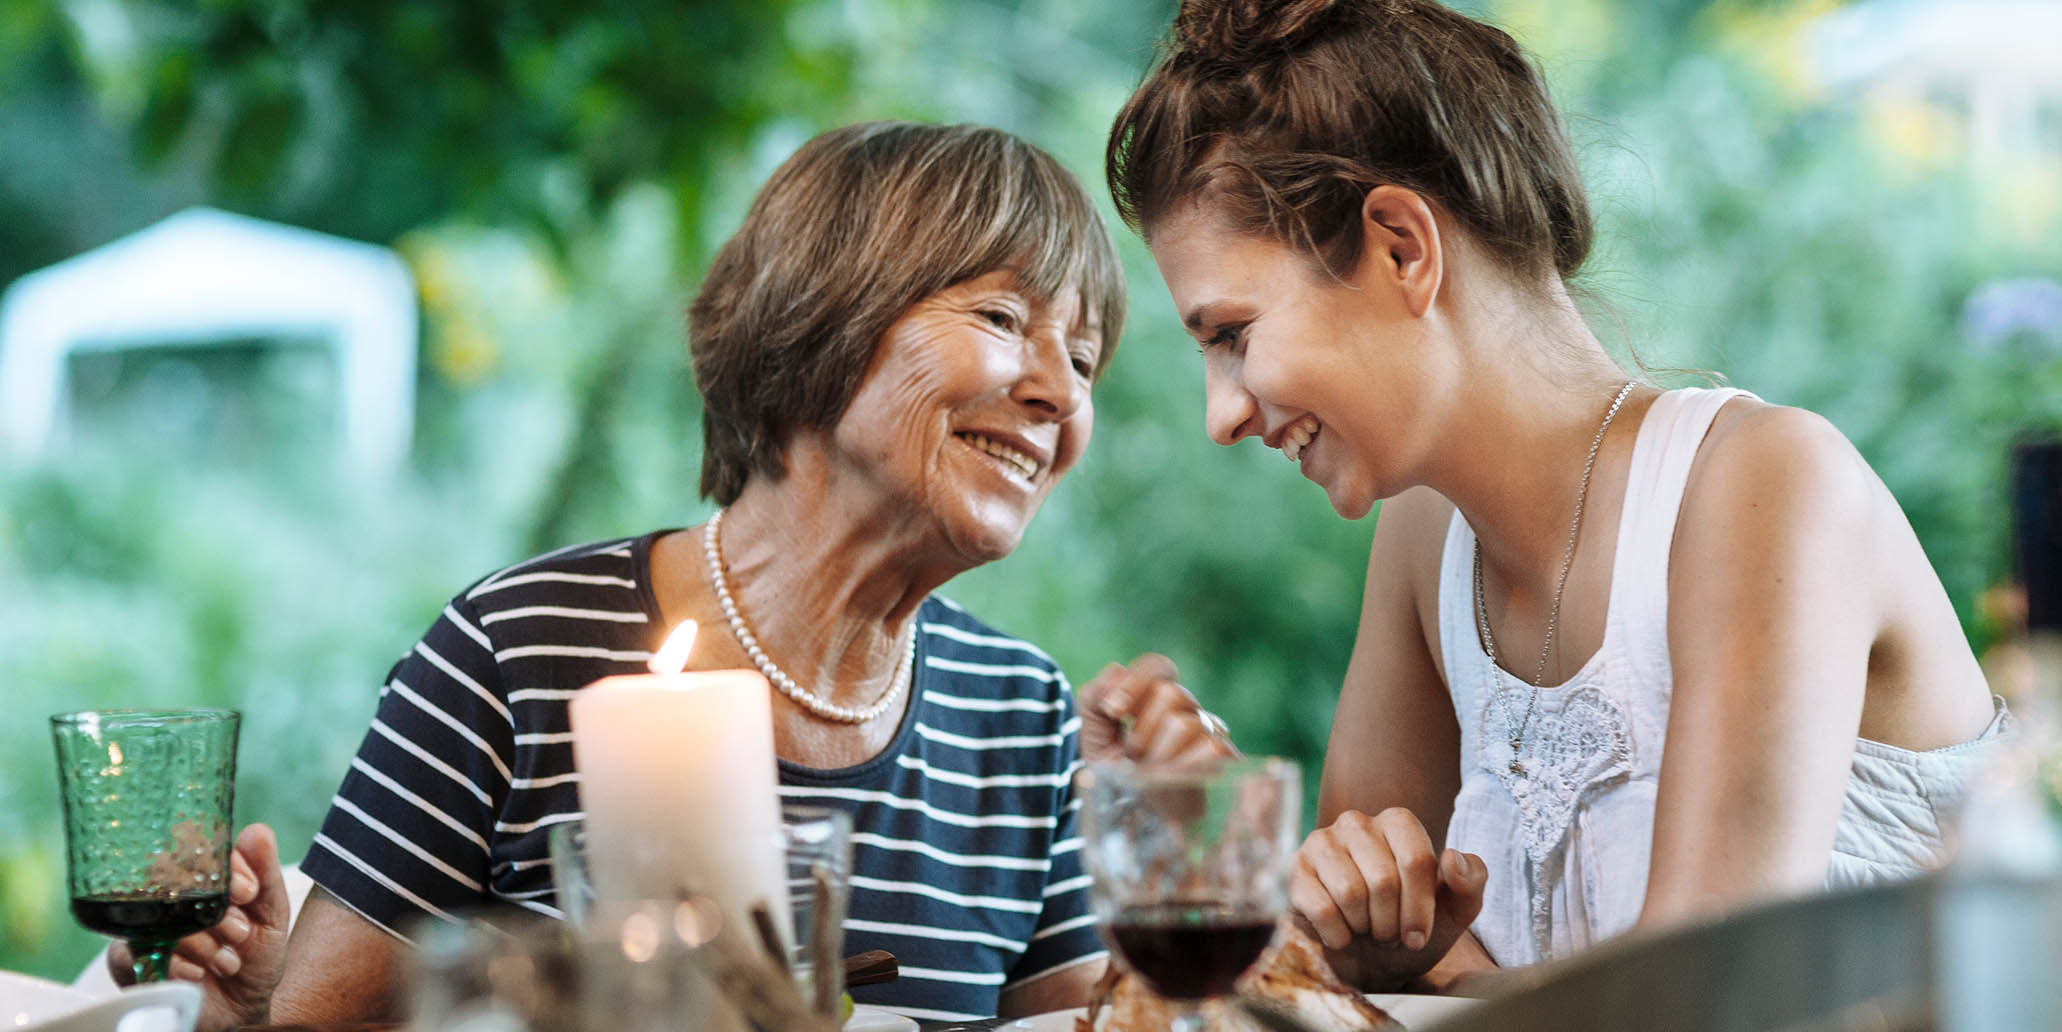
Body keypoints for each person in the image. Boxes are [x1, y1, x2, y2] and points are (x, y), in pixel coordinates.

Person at [109, 121, 1231, 1027]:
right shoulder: (521, 647)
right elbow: (325, 1021)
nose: (1058, 393)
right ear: (821, 317)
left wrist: (1167, 847)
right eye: (1001, 319)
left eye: (1081, 360)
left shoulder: (1023, 713)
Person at [1097, 0, 2009, 993]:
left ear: (1402, 246)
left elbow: (1701, 1007)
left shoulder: (1766, 487)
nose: (1219, 416)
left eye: (1232, 335)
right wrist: (1201, 832)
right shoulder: (1423, 541)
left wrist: (1441, 972)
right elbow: (1338, 984)